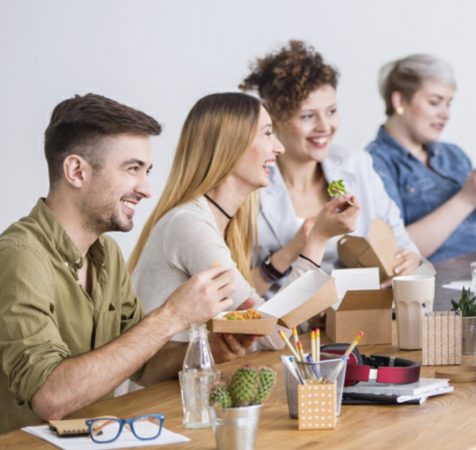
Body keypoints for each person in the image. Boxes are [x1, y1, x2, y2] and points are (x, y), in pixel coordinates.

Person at [0, 94, 243, 433]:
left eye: (146, 171)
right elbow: (50, 397)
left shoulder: (107, 255)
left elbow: (142, 365)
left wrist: (207, 348)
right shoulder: (20, 257)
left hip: (103, 438)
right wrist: (173, 315)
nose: (145, 189)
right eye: (132, 169)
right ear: (76, 171)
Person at [129, 93, 326, 367]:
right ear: (231, 144)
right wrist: (317, 241)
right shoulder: (189, 225)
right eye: (267, 133)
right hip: (156, 402)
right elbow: (273, 333)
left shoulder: (217, 223)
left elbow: (256, 323)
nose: (279, 148)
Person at [240, 40, 420, 290]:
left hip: (358, 317)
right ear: (274, 118)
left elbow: (405, 246)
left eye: (331, 111)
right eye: (307, 116)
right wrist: (293, 249)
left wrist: (408, 262)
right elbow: (240, 297)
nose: (325, 127)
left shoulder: (356, 165)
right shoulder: (250, 186)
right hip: (287, 325)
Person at [366, 54, 476, 262]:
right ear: (400, 101)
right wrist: (466, 200)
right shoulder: (373, 164)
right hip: (444, 283)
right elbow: (392, 254)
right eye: (435, 102)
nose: (445, 114)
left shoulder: (454, 154)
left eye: (448, 103)